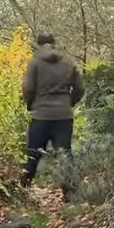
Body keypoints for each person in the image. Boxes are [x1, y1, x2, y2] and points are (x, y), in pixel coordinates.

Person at [20, 33, 85, 199]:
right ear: (54, 45)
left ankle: (23, 190)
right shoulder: (68, 63)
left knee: (32, 153)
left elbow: (28, 89)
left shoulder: (35, 63)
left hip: (40, 115)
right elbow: (79, 89)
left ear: (38, 45)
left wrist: (31, 105)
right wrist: (69, 103)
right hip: (64, 116)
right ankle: (70, 193)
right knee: (64, 154)